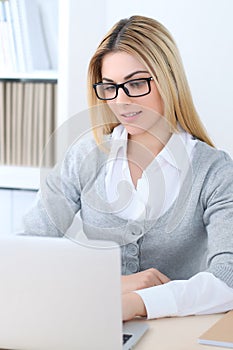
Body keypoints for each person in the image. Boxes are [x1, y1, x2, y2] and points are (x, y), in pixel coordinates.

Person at [23, 15, 233, 321]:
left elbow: (226, 278)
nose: (120, 101)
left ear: (168, 79)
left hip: (176, 335)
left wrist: (136, 302)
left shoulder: (214, 171)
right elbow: (26, 253)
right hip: (91, 324)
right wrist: (114, 286)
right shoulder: (83, 157)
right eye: (110, 87)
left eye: (136, 83)